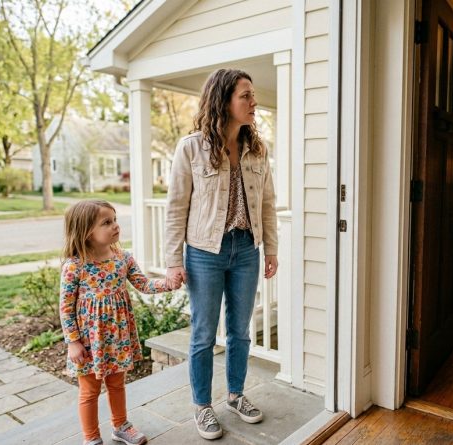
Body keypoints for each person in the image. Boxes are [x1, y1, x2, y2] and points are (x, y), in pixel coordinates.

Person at [164, 68, 278, 440]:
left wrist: (271, 249)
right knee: (203, 334)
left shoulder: (257, 149)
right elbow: (176, 207)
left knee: (241, 331)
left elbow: (267, 204)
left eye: (253, 95)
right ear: (224, 100)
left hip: (246, 249)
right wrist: (173, 261)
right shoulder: (191, 147)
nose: (253, 102)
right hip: (204, 253)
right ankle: (202, 406)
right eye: (246, 95)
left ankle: (235, 395)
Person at [59, 199, 179, 445]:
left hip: (117, 337)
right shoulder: (75, 266)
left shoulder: (123, 258)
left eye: (115, 220)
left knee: (117, 384)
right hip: (89, 341)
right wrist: (73, 342)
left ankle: (121, 425)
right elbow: (66, 307)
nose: (115, 226)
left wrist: (168, 283)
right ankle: (91, 437)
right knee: (89, 391)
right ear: (86, 231)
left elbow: (143, 284)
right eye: (106, 222)